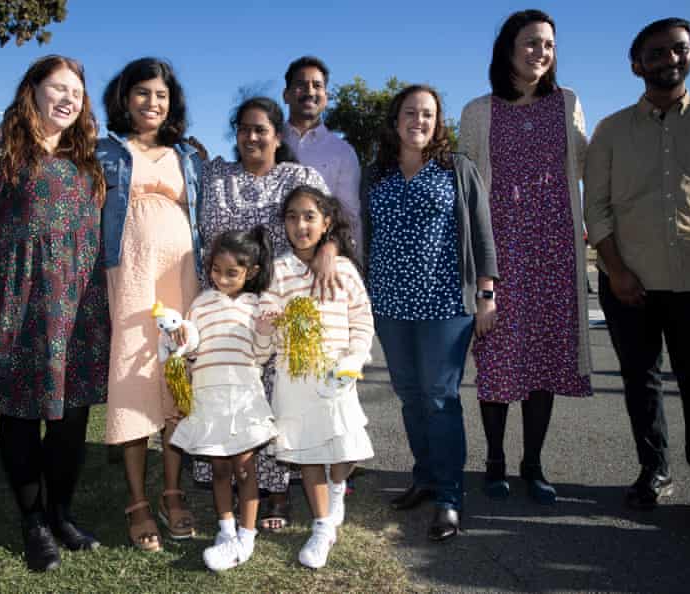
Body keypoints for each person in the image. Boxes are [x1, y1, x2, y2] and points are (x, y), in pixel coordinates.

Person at [0, 55, 109, 572]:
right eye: (57, 88)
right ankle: (34, 521)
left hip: (80, 307)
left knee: (71, 419)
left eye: (77, 92)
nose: (68, 98)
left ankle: (62, 513)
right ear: (33, 90)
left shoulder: (84, 156)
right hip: (19, 306)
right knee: (21, 415)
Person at [458, 9, 593, 504]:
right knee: (497, 362)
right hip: (501, 254)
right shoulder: (478, 110)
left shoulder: (567, 102)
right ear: (508, 49)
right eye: (532, 42)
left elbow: (587, 160)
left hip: (555, 251)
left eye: (549, 45)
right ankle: (494, 458)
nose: (541, 52)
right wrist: (476, 275)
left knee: (546, 361)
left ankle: (532, 464)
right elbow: (467, 192)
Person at [584, 18, 690, 534]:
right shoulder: (611, 131)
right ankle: (653, 470)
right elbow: (597, 207)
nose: (669, 60)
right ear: (637, 65)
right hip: (627, 284)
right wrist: (615, 272)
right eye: (656, 53)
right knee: (642, 382)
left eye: (679, 50)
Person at [362, 84, 498, 541]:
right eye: (410, 113)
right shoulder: (375, 174)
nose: (418, 121)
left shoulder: (457, 169)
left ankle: (450, 497)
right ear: (395, 119)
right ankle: (424, 478)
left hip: (444, 306)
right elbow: (364, 233)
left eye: (427, 114)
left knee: (440, 399)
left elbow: (481, 232)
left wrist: (486, 293)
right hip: (390, 304)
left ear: (437, 122)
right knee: (410, 396)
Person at [194, 96, 332, 532]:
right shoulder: (216, 175)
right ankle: (230, 478)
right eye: (244, 129)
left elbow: (326, 222)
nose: (251, 137)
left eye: (261, 129)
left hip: (278, 305)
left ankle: (277, 491)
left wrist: (328, 252)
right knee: (228, 393)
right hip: (223, 307)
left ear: (278, 135)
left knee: (275, 401)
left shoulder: (299, 176)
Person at [97, 57, 202, 551]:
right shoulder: (105, 151)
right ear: (125, 97)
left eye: (161, 95)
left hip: (181, 274)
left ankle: (174, 492)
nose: (152, 103)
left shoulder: (188, 154)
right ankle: (138, 501)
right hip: (132, 273)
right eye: (142, 93)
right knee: (135, 381)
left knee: (176, 377)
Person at [256, 186, 374, 569]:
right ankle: (322, 527)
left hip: (337, 375)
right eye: (292, 216)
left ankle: (337, 487)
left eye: (309, 216)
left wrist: (354, 360)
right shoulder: (279, 271)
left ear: (326, 223)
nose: (300, 224)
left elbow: (361, 318)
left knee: (345, 449)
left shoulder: (342, 269)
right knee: (308, 454)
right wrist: (264, 325)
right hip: (296, 379)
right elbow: (268, 318)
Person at [170, 227, 278, 571]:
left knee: (245, 470)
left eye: (232, 273)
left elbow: (262, 356)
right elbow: (191, 353)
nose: (222, 278)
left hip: (243, 397)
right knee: (218, 468)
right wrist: (181, 341)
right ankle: (226, 528)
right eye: (216, 270)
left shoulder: (255, 305)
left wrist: (264, 332)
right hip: (209, 398)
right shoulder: (200, 304)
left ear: (251, 272)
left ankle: (246, 536)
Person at [282, 56, 363, 254]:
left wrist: (351, 263)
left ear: (326, 97)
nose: (310, 91)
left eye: (317, 85)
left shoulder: (343, 152)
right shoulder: (266, 142)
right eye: (301, 84)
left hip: (323, 267)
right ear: (286, 95)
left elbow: (350, 217)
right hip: (272, 267)